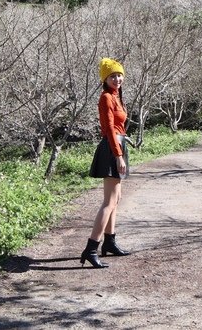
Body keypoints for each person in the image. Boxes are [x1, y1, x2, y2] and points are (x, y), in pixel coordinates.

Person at [80, 57, 132, 268]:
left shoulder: (116, 96)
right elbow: (109, 129)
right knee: (109, 202)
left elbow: (118, 128)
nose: (117, 78)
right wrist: (118, 155)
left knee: (116, 199)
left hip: (117, 145)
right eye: (113, 76)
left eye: (119, 75)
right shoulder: (106, 98)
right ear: (105, 78)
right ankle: (91, 248)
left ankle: (109, 242)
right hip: (112, 149)